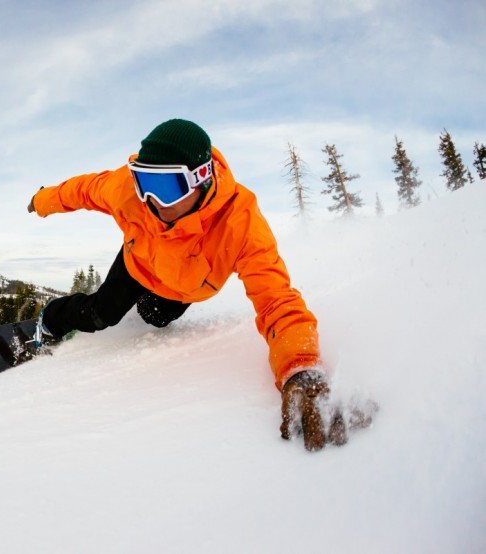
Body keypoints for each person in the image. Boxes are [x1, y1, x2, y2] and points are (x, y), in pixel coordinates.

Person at [27, 118, 373, 451]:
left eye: (167, 187)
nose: (153, 201)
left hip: (182, 287)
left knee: (155, 317)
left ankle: (142, 311)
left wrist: (300, 368)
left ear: (202, 178)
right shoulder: (128, 192)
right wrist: (42, 201)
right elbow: (84, 190)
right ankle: (50, 320)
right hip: (138, 264)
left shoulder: (240, 223)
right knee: (100, 315)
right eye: (144, 182)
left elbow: (275, 299)